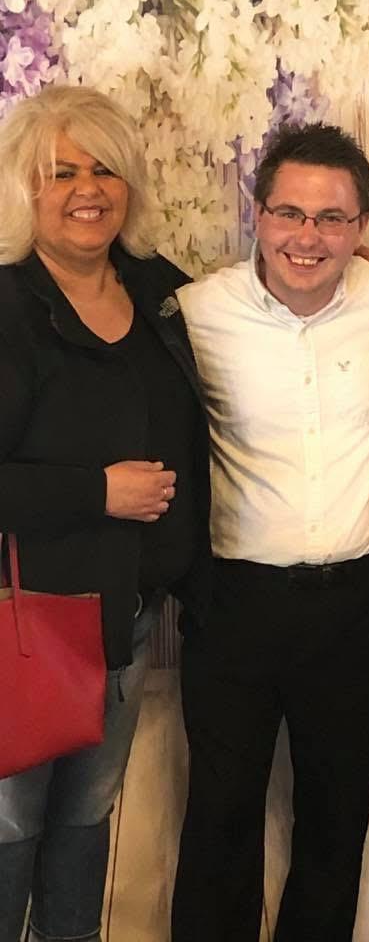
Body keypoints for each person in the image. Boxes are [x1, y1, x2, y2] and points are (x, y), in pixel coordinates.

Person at [171, 122, 369, 942]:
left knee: (337, 815)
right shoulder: (195, 314)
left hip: (360, 606)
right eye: (290, 214)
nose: (308, 237)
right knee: (219, 818)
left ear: (362, 227)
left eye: (332, 219)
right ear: (258, 216)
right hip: (235, 605)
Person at [0, 85, 210, 942]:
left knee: (86, 826)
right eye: (61, 172)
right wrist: (96, 492)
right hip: (21, 630)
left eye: (104, 169)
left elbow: (262, 302)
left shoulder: (159, 292)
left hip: (122, 625)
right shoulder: (6, 306)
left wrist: (368, 268)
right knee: (11, 830)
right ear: (27, 188)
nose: (87, 189)